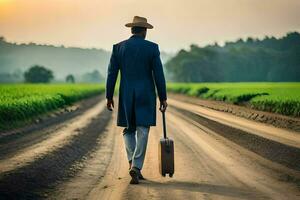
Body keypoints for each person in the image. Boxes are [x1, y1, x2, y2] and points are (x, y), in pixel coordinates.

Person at [106, 16, 168, 184]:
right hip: (146, 94)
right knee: (143, 129)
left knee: (128, 129)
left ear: (132, 30)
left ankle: (132, 163)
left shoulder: (118, 48)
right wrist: (163, 97)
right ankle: (136, 166)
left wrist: (109, 96)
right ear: (144, 31)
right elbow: (159, 75)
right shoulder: (152, 48)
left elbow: (112, 73)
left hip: (126, 94)